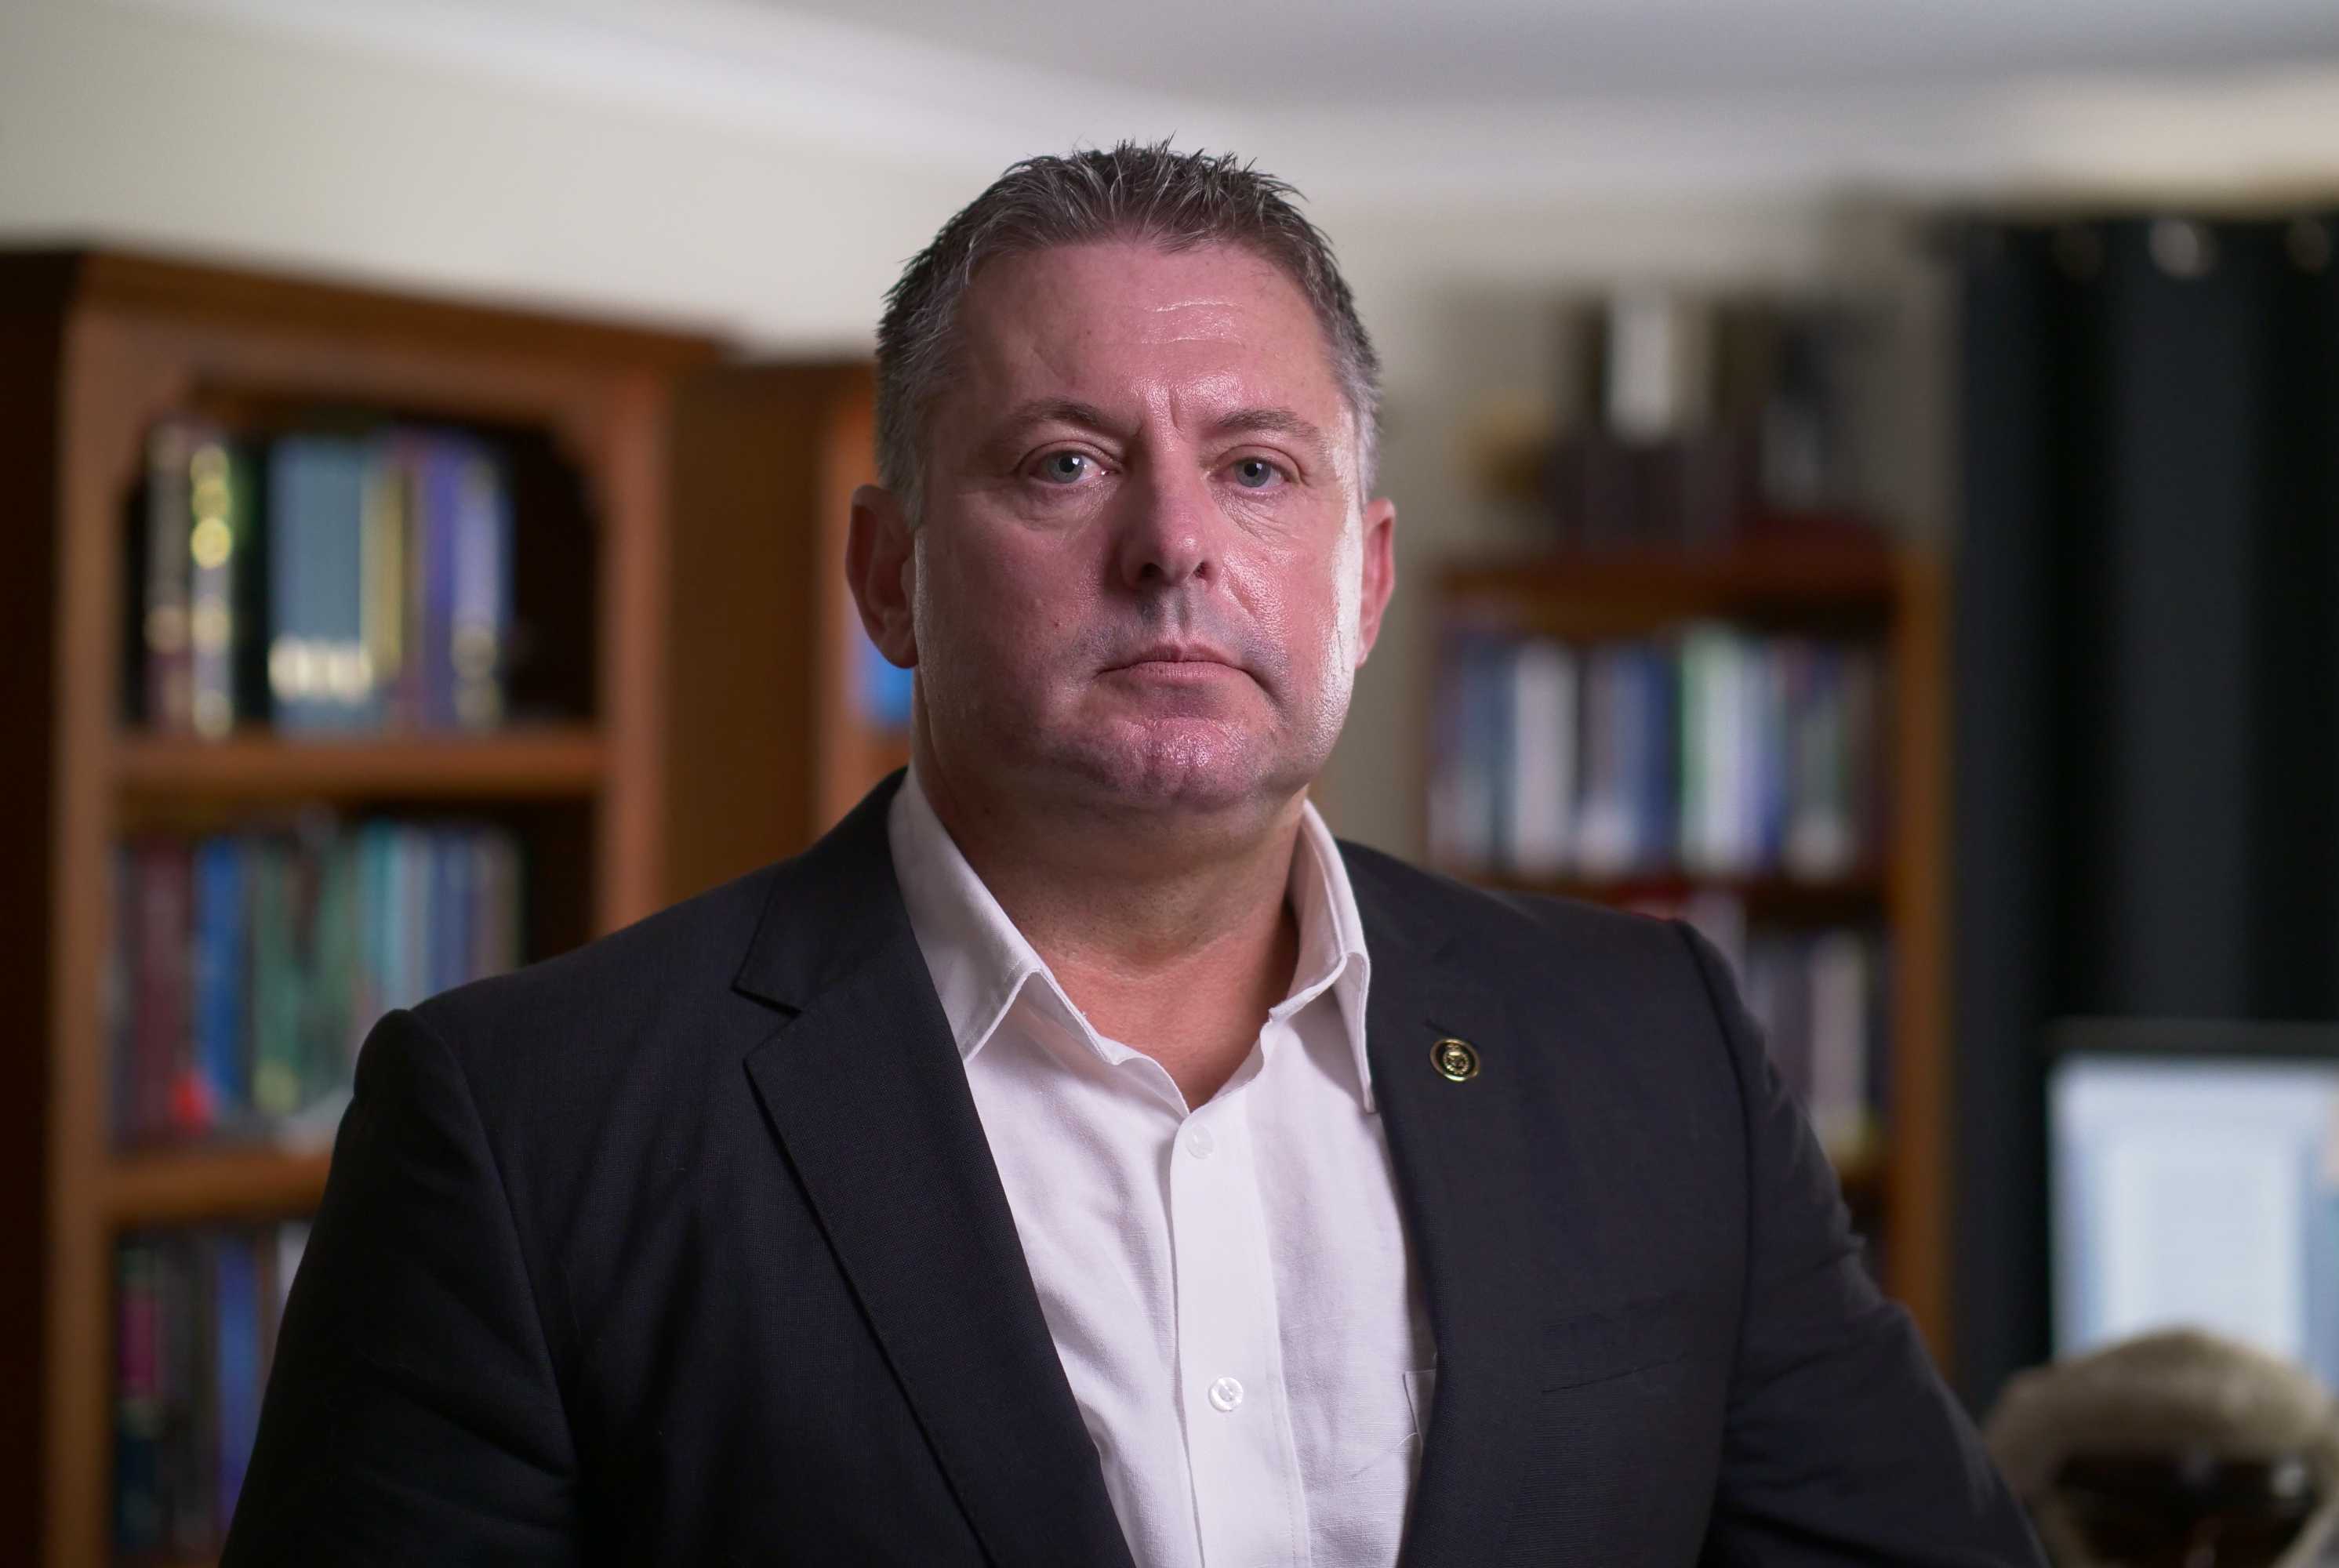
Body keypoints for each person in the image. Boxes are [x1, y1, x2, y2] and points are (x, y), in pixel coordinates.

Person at [223, 143, 2043, 1567]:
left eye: (1259, 469)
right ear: (887, 574)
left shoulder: (1655, 1050)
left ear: (1368, 575)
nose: (1177, 545)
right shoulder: (527, 1126)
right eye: (1067, 463)